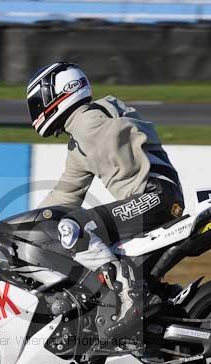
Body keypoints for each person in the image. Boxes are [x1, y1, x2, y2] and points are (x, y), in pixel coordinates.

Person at [26, 61, 185, 340]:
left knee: (71, 228)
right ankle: (154, 298)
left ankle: (128, 296)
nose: (37, 110)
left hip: (153, 197)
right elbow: (66, 194)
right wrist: (29, 227)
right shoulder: (85, 131)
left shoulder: (89, 124)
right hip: (156, 196)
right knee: (71, 224)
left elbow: (122, 132)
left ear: (59, 94)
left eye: (39, 101)